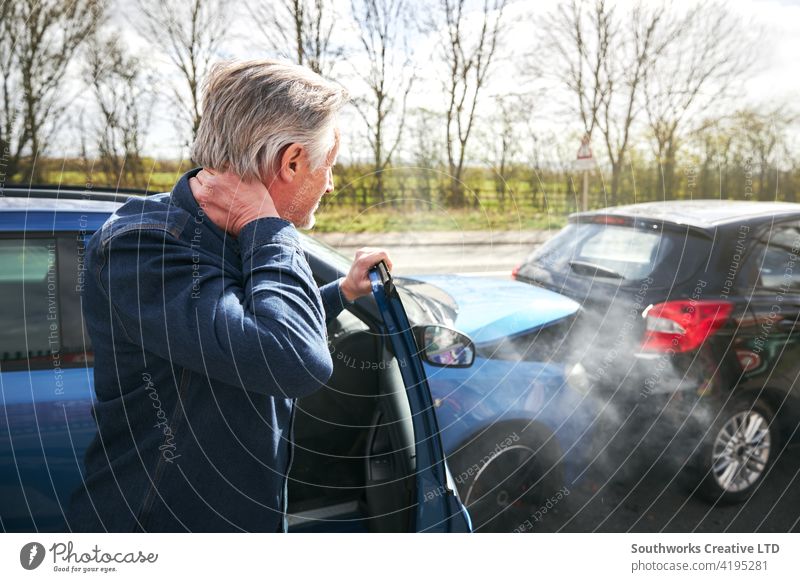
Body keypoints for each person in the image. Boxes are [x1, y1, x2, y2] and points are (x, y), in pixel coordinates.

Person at [67, 60, 391, 532]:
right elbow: (292, 359)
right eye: (329, 165)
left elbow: (243, 330)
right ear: (293, 161)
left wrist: (339, 292)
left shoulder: (233, 233)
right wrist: (268, 227)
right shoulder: (143, 247)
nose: (330, 182)